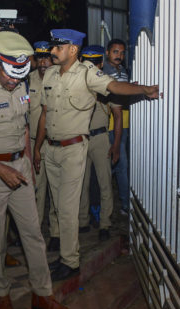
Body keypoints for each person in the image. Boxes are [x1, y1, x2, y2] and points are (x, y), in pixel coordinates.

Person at [33, 29, 158, 282]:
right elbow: (45, 114)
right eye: (52, 47)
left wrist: (144, 89)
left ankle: (71, 261)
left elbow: (114, 86)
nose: (52, 51)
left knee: (67, 208)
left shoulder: (88, 74)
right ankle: (65, 255)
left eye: (58, 47)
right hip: (51, 149)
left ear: (73, 50)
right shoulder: (52, 75)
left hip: (73, 148)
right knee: (57, 206)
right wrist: (37, 147)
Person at [0, 31, 69, 309]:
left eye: (18, 75)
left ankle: (42, 293)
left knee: (34, 234)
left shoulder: (20, 80)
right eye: (9, 74)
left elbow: (23, 126)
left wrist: (25, 163)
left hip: (19, 167)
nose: (14, 81)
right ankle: (0, 294)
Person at [78, 45, 120, 241]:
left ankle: (105, 224)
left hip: (102, 139)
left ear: (101, 64)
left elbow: (118, 116)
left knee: (105, 183)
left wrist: (116, 143)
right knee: (81, 184)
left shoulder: (107, 84)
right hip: (81, 138)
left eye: (94, 63)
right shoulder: (78, 82)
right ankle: (83, 221)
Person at [30, 40, 59, 251]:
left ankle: (56, 234)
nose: (43, 62)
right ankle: (37, 233)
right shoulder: (25, 80)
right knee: (37, 191)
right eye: (39, 57)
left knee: (55, 192)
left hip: (54, 143)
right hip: (32, 144)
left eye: (46, 57)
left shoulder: (60, 78)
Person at [102, 38, 131, 215]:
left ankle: (113, 203)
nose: (119, 56)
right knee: (119, 165)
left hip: (124, 123)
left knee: (116, 164)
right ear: (107, 53)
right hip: (112, 125)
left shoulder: (123, 70)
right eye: (115, 52)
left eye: (121, 53)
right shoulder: (105, 71)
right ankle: (125, 205)